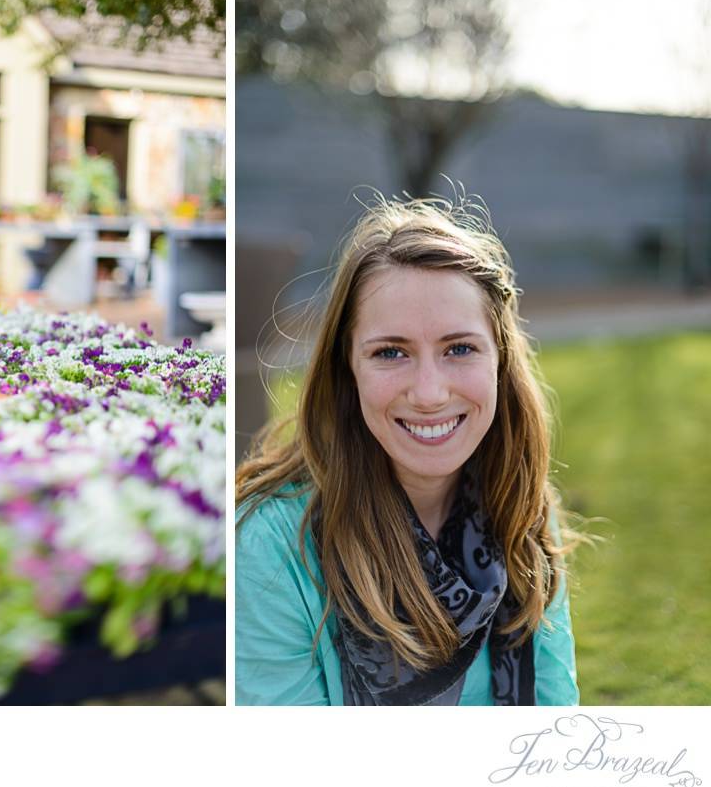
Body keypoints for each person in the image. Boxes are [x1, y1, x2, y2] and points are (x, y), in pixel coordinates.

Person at [235, 194, 579, 706]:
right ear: (347, 369)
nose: (429, 392)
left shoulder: (522, 509)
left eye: (459, 348)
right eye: (391, 352)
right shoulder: (270, 546)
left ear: (500, 361)